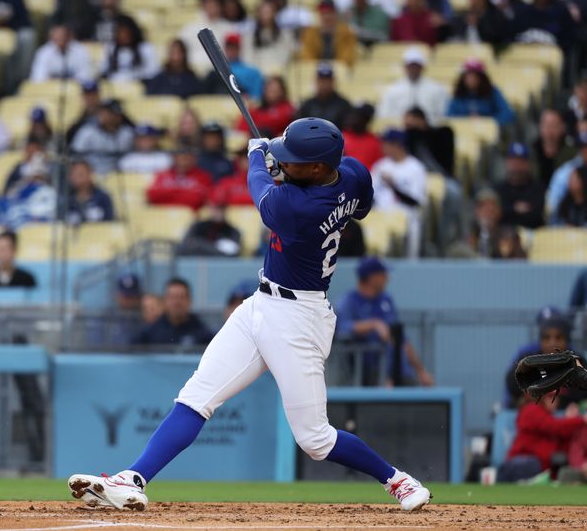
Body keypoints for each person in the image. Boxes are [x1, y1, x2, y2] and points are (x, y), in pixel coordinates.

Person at [69, 117, 432, 512]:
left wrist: (258, 156)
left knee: (315, 440)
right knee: (196, 397)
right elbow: (358, 207)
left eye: (295, 160)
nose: (286, 161)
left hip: (300, 319)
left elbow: (260, 189)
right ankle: (133, 478)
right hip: (260, 305)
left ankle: (398, 481)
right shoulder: (353, 173)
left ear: (317, 167)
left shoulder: (297, 207)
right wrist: (287, 163)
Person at [336, 257, 435, 387]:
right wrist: (373, 324)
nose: (387, 278)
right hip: (367, 374)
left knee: (419, 396)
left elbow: (401, 339)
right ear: (372, 277)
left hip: (399, 370)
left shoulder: (386, 299)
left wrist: (421, 371)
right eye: (383, 274)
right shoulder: (349, 301)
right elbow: (341, 328)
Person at [499, 391, 587, 482]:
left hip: (542, 469)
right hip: (524, 461)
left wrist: (571, 420)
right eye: (551, 397)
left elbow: (563, 441)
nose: (556, 401)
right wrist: (581, 419)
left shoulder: (549, 415)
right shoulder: (531, 409)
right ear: (543, 398)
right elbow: (554, 427)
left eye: (556, 398)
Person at [370, 129, 427, 258]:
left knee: (408, 262)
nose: (383, 146)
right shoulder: (380, 166)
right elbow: (370, 196)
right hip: (381, 220)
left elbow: (415, 201)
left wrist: (394, 187)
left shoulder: (415, 168)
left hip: (407, 221)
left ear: (398, 145)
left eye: (387, 143)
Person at [504, 310, 573, 407]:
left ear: (567, 340)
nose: (552, 343)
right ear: (540, 341)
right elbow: (512, 384)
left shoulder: (577, 362)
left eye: (558, 337)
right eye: (546, 338)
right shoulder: (528, 361)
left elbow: (581, 394)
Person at [131, 278, 215, 348]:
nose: (176, 303)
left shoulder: (202, 332)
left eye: (181, 297)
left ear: (189, 301)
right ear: (165, 301)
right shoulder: (151, 332)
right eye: (172, 297)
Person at [377, 48, 449, 125]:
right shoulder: (392, 90)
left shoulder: (437, 89)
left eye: (416, 66)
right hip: (400, 130)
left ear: (422, 67)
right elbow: (384, 114)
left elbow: (443, 115)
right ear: (405, 67)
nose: (413, 69)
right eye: (411, 66)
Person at [70, 99, 135, 175]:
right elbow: (75, 155)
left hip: (119, 174)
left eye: (113, 114)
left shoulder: (127, 133)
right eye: (104, 112)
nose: (108, 117)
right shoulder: (88, 132)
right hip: (92, 173)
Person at [0, 150, 57, 229]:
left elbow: (46, 216)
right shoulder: (17, 191)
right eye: (33, 177)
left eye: (39, 177)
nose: (35, 180)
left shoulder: (50, 193)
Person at [446, 60, 514, 126]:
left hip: (488, 133)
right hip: (463, 133)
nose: (471, 79)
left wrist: (487, 122)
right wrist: (466, 121)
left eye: (475, 76)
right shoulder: (459, 94)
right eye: (468, 76)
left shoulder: (492, 92)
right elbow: (449, 116)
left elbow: (507, 113)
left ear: (482, 78)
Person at [493, 143, 545, 229]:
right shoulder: (498, 189)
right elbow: (495, 214)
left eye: (521, 161)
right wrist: (514, 209)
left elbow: (537, 216)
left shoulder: (539, 189)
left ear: (528, 164)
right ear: (507, 162)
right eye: (513, 161)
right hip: (503, 236)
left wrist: (507, 212)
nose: (516, 166)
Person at [147, 146, 213, 210]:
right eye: (180, 155)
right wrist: (183, 192)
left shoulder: (203, 176)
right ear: (174, 157)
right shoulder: (163, 174)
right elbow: (153, 195)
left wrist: (169, 193)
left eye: (188, 156)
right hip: (162, 215)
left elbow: (196, 199)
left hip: (191, 218)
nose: (184, 159)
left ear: (194, 159)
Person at [204, 33, 264, 100]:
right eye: (229, 48)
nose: (231, 51)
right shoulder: (216, 71)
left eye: (234, 48)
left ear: (239, 49)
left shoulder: (253, 72)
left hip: (242, 104)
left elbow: (256, 98)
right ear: (225, 49)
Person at [179, 0, 234, 72]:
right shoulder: (190, 28)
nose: (211, 7)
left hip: (220, 73)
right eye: (208, 4)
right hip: (194, 72)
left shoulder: (229, 28)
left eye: (214, 4)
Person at [298, 0, 357, 66]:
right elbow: (307, 58)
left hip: (339, 72)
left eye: (330, 13)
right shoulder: (310, 33)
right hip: (315, 72)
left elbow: (347, 60)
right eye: (323, 13)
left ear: (335, 14)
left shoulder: (346, 33)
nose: (327, 16)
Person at [100, 15, 159, 83]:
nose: (123, 36)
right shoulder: (110, 48)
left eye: (126, 32)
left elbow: (153, 73)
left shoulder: (146, 48)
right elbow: (103, 72)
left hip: (139, 87)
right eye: (120, 32)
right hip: (115, 87)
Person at [241, 0, 296, 69]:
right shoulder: (249, 37)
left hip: (277, 73)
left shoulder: (285, 35)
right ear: (258, 14)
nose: (266, 16)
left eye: (268, 12)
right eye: (263, 12)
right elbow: (247, 59)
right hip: (257, 74)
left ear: (274, 13)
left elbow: (285, 57)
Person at [403, 106, 455, 177]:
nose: (408, 131)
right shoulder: (408, 139)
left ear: (420, 120)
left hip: (442, 176)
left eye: (410, 126)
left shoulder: (442, 134)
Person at [297, 62, 352, 128]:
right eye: (321, 80)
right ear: (316, 81)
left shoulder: (344, 105)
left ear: (333, 81)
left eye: (327, 81)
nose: (324, 84)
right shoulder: (307, 105)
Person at [176, 202, 242, 257]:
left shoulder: (232, 231)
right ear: (208, 208)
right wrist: (216, 248)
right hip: (195, 265)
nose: (217, 211)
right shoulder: (198, 227)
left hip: (221, 267)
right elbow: (184, 247)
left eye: (220, 207)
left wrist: (202, 246)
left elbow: (234, 254)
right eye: (214, 207)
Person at [532, 109, 578, 188]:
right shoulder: (532, 152)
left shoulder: (572, 154)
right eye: (546, 126)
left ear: (563, 128)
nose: (549, 131)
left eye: (554, 126)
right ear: (540, 127)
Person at [63, 159, 114, 225]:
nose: (76, 177)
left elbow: (109, 223)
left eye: (80, 174)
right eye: (72, 174)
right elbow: (61, 223)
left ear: (90, 174)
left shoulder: (103, 198)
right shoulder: (65, 199)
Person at [342, 103, 382, 170]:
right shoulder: (340, 136)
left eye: (356, 115)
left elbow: (378, 167)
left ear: (366, 119)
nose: (351, 117)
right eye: (351, 114)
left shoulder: (375, 142)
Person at [467, 187, 503, 258]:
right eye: (482, 207)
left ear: (499, 211)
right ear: (476, 211)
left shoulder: (507, 236)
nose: (487, 212)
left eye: (492, 207)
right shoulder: (468, 236)